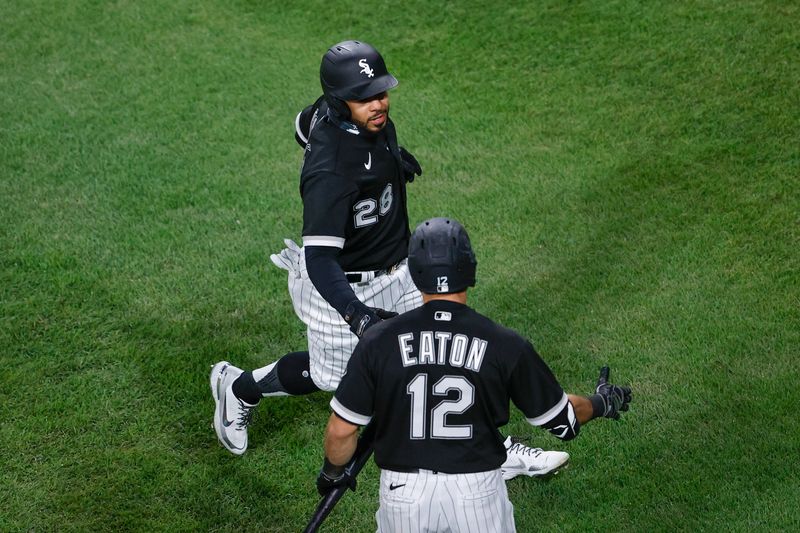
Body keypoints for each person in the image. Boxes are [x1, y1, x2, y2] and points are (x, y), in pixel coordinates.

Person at [209, 40, 569, 478]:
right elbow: (321, 260)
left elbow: (301, 126)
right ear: (341, 101)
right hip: (342, 287)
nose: (379, 103)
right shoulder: (330, 172)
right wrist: (357, 315)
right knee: (332, 378)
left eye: (381, 91)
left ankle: (496, 450)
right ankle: (239, 386)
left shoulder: (341, 113)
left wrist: (391, 161)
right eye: (366, 97)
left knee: (440, 350)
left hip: (398, 271)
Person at [316, 218, 633, 532]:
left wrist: (333, 473)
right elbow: (562, 421)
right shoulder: (505, 343)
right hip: (476, 492)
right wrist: (601, 403)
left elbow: (342, 431)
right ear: (469, 270)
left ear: (414, 272)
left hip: (404, 494)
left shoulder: (378, 341)